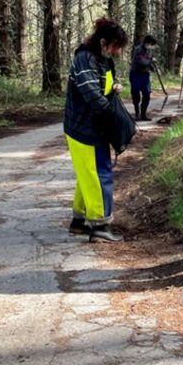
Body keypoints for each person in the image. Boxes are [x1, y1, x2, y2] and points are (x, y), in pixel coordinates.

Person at [64, 17, 129, 243]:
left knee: (86, 174)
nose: (118, 52)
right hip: (85, 129)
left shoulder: (100, 60)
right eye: (116, 47)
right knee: (100, 175)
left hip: (93, 127)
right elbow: (92, 95)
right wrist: (115, 119)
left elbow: (102, 89)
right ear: (104, 42)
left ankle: (79, 221)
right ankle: (100, 224)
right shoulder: (85, 59)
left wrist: (114, 89)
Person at [129, 34, 158, 121]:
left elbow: (150, 62)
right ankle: (137, 113)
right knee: (136, 94)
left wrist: (155, 69)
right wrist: (151, 60)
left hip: (145, 75)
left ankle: (143, 114)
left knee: (147, 94)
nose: (152, 46)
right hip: (135, 74)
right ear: (147, 42)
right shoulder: (138, 50)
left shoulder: (149, 51)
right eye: (152, 44)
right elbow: (142, 62)